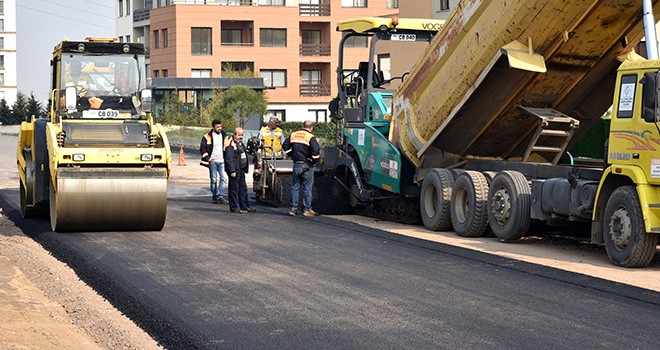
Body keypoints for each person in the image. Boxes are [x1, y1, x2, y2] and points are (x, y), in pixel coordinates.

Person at [282, 120, 320, 217]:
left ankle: (293, 209)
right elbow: (315, 150)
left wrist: (292, 154)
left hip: (297, 164)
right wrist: (313, 160)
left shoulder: (293, 135)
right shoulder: (310, 137)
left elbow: (285, 145)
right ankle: (307, 209)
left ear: (302, 126)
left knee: (295, 187)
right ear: (311, 128)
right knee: (307, 187)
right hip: (307, 164)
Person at [225, 127, 256, 214]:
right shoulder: (230, 143)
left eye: (242, 135)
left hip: (241, 169)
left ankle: (244, 206)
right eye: (239, 135)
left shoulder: (240, 143)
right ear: (235, 134)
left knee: (243, 189)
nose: (241, 136)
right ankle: (234, 207)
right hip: (235, 169)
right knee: (234, 189)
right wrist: (232, 171)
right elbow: (229, 159)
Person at [200, 119, 228, 204]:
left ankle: (220, 196)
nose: (219, 128)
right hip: (212, 161)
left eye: (220, 126)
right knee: (214, 180)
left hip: (222, 161)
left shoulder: (224, 136)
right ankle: (215, 196)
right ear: (213, 127)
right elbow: (202, 148)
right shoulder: (207, 137)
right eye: (217, 127)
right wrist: (208, 158)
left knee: (223, 178)